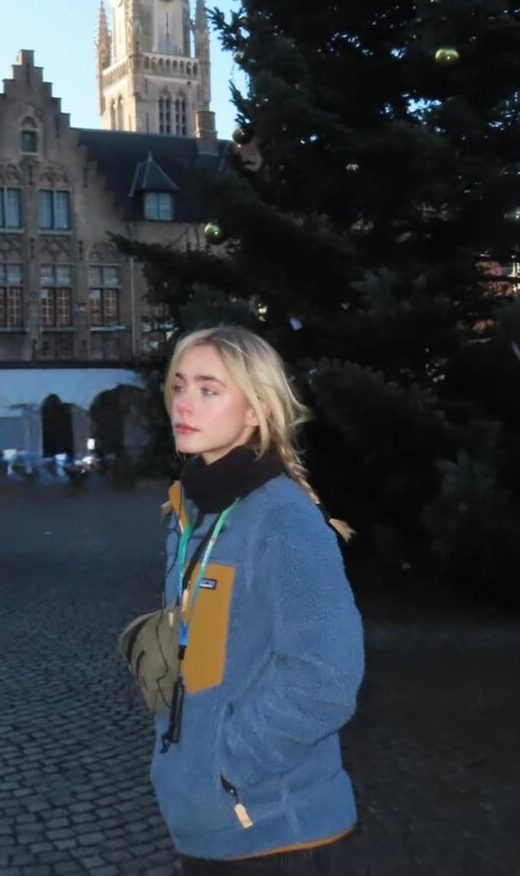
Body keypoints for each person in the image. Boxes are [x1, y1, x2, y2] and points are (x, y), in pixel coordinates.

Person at [150, 325, 367, 874]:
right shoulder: (191, 513)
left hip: (279, 835)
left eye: (208, 389)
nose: (183, 404)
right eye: (179, 386)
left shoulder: (283, 520)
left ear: (256, 410)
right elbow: (204, 658)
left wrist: (224, 764)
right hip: (207, 829)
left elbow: (326, 680)